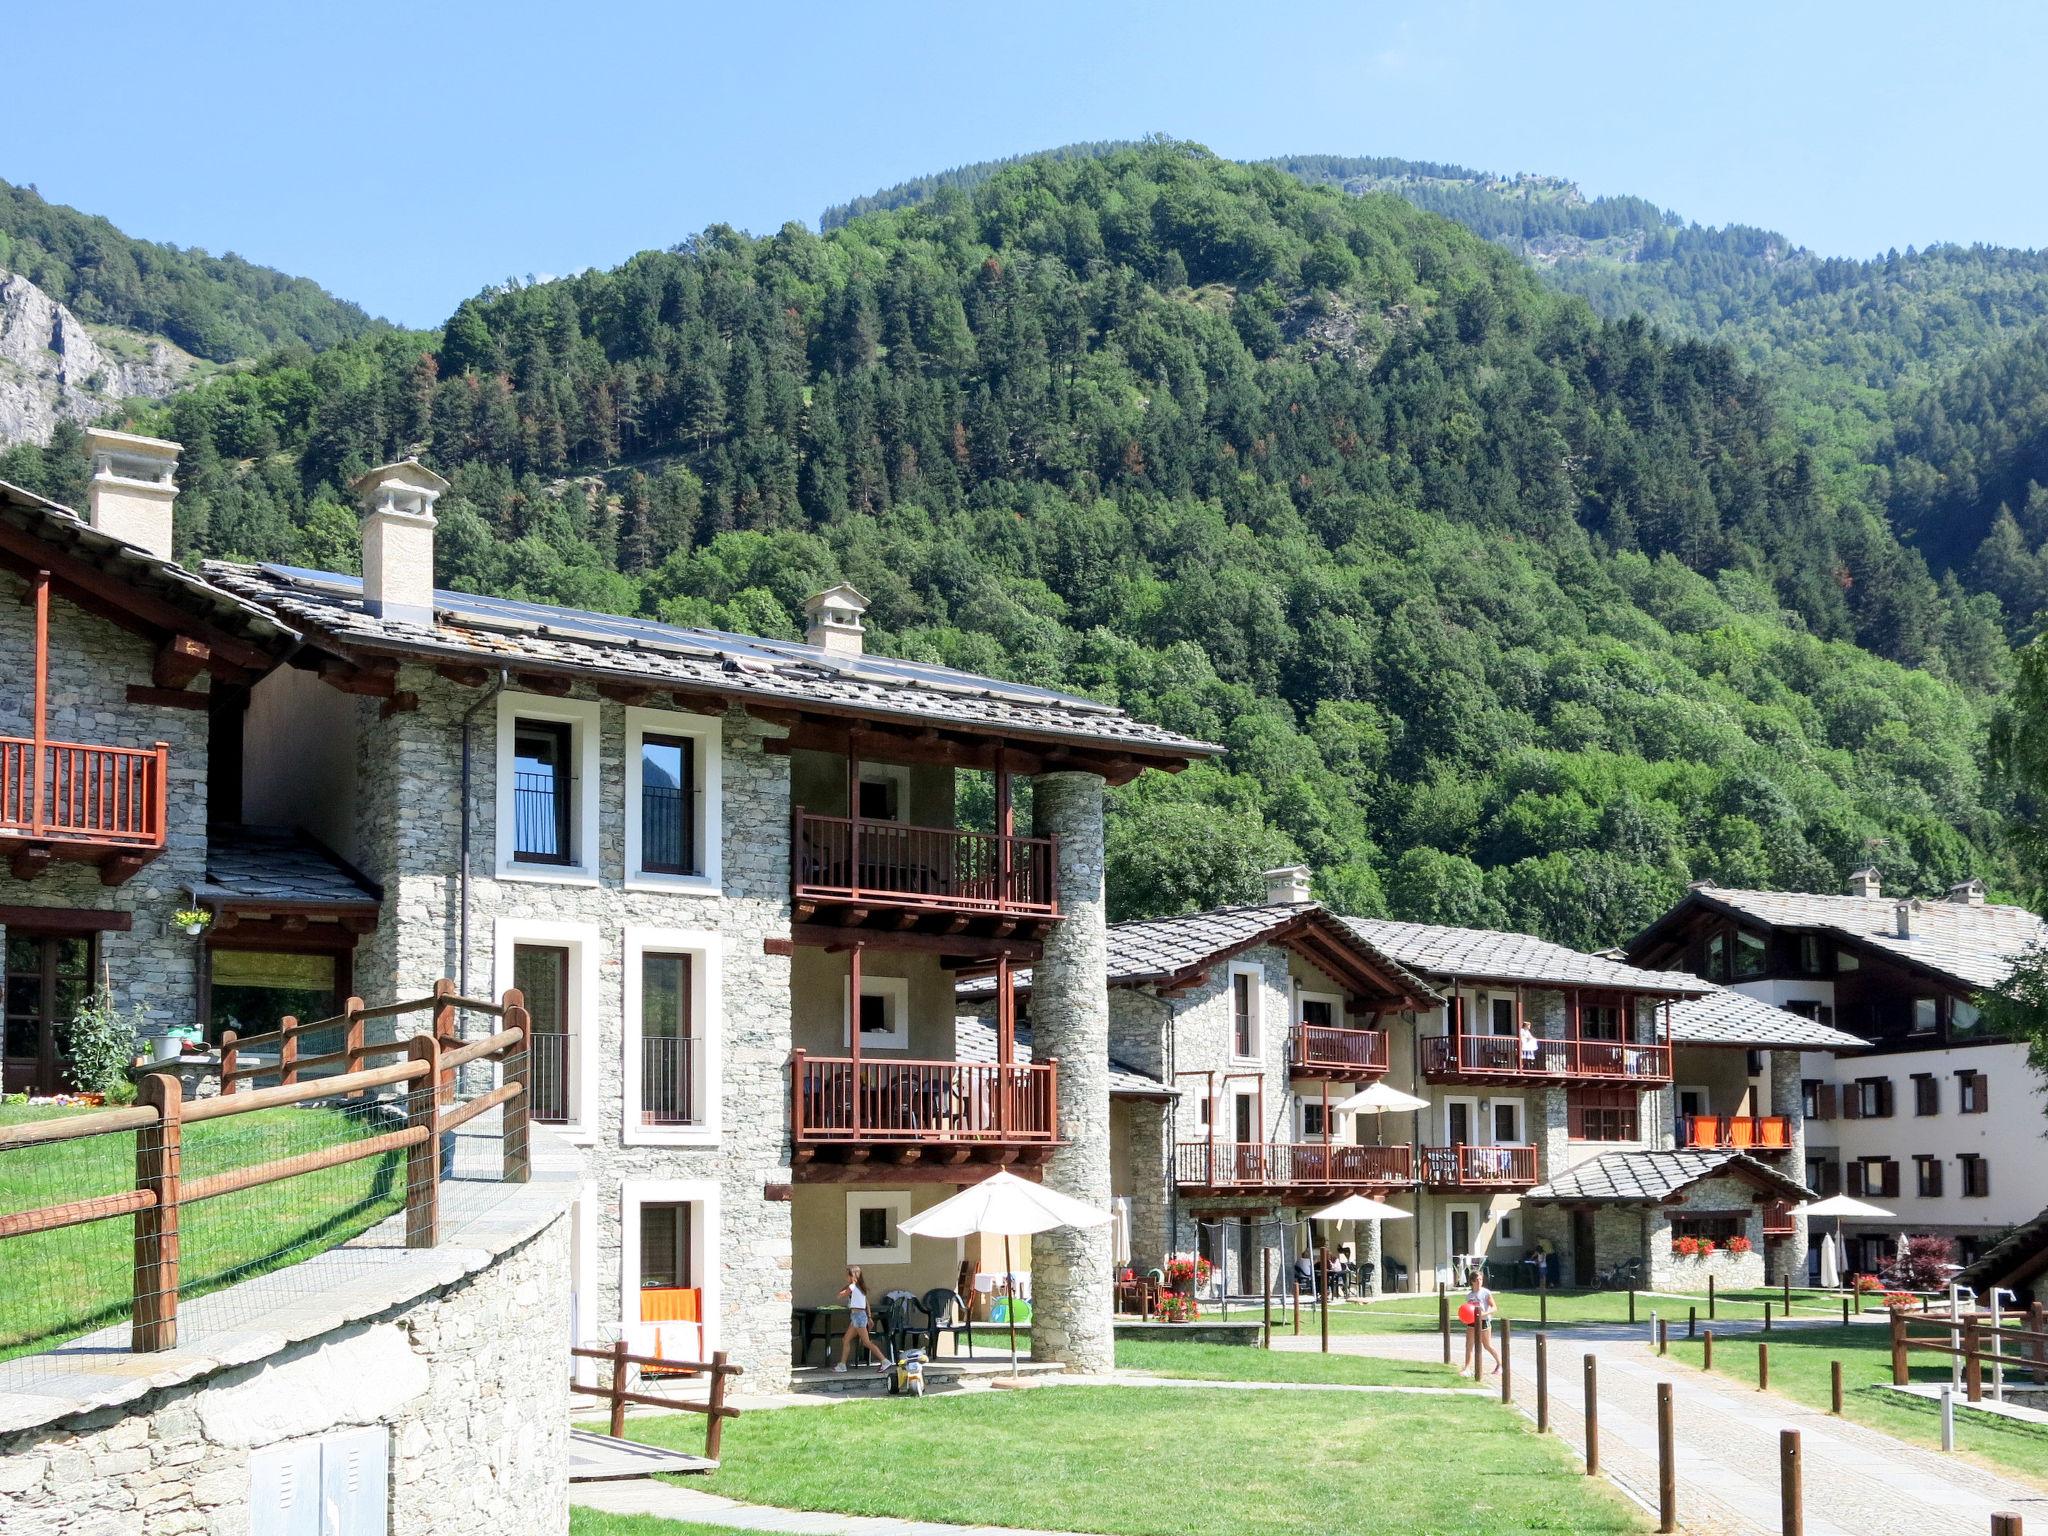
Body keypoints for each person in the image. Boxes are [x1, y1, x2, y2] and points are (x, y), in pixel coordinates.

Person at [834, 1264, 888, 1373]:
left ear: (852, 1276)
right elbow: (866, 1303)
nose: (846, 1278)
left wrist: (846, 1287)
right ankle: (842, 1364)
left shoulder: (853, 1287)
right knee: (846, 1339)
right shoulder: (860, 1288)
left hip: (858, 1317)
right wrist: (869, 1317)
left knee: (866, 1342)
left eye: (847, 1276)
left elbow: (839, 1295)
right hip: (857, 1316)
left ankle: (884, 1360)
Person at [1461, 1266, 1501, 1376]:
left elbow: (1494, 1307)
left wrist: (1484, 1313)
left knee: (1487, 1345)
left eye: (1481, 1279)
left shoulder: (1486, 1293)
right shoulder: (1469, 1296)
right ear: (1472, 1281)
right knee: (1469, 1345)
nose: (1479, 1281)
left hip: (1484, 1321)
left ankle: (1499, 1364)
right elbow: (1468, 1309)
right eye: (1477, 1279)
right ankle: (1467, 1368)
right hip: (1472, 1322)